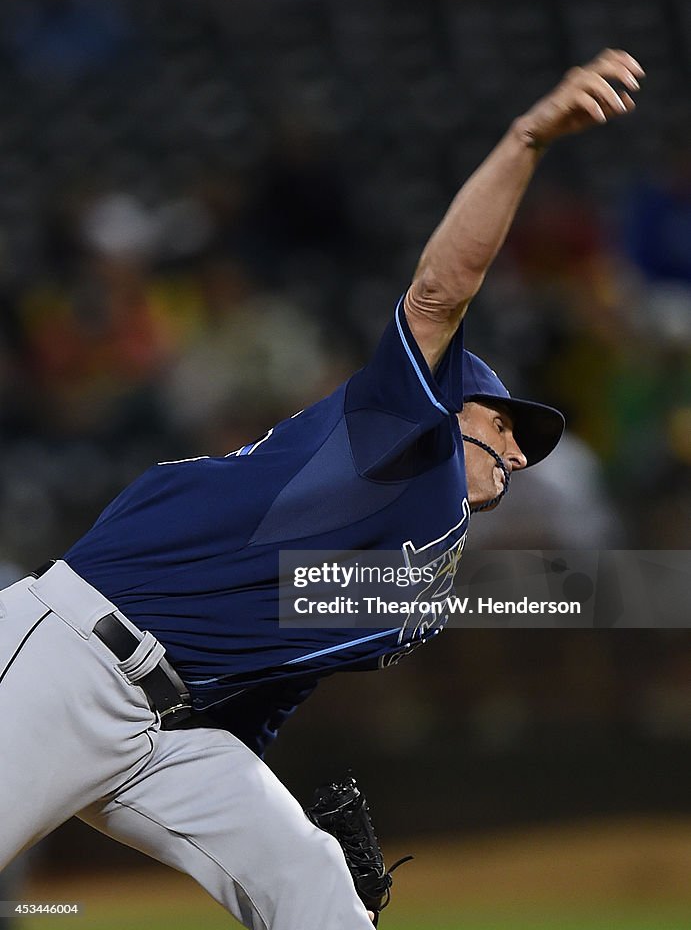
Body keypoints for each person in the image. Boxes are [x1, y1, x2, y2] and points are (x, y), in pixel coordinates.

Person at [0, 49, 643, 929]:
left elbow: (272, 668)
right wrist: (526, 139)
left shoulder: (407, 582)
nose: (517, 451)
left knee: (314, 885)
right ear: (445, 409)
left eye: (527, 444)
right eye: (503, 423)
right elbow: (436, 293)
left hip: (166, 728)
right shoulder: (392, 446)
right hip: (66, 663)